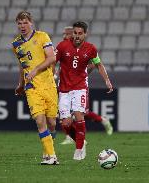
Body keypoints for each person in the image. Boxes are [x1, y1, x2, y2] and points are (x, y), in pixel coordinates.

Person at [55, 21, 114, 160]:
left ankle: (79, 149)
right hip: (63, 88)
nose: (77, 36)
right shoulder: (62, 46)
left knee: (79, 115)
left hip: (80, 87)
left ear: (85, 34)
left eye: (80, 33)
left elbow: (98, 64)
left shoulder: (91, 48)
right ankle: (81, 141)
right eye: (75, 33)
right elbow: (53, 62)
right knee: (65, 123)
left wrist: (107, 80)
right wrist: (52, 76)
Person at [11, 11, 59, 165]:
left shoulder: (42, 36)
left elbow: (52, 57)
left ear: (31, 22)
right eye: (19, 23)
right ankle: (52, 156)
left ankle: (48, 151)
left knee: (52, 123)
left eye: (25, 22)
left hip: (48, 85)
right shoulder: (16, 44)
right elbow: (21, 65)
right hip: (31, 87)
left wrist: (36, 70)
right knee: (39, 121)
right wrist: (21, 84)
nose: (22, 26)